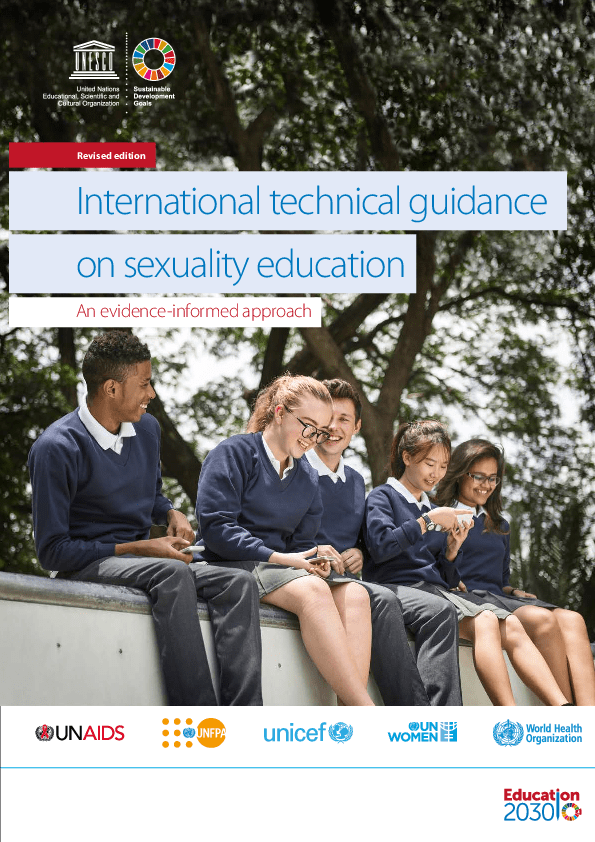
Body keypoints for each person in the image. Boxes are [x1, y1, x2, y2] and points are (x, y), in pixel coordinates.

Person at [28, 331, 262, 706]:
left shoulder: (147, 429)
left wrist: (170, 510)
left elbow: (150, 493)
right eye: (145, 383)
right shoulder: (56, 448)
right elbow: (53, 553)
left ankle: (247, 716)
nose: (151, 393)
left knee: (238, 582)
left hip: (142, 559)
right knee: (171, 573)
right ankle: (199, 717)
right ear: (111, 389)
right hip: (87, 564)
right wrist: (142, 546)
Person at [194, 374, 375, 706]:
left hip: (278, 570)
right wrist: (283, 558)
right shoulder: (233, 452)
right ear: (279, 412)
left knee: (356, 595)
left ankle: (349, 713)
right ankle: (365, 711)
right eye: (307, 425)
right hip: (230, 563)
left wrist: (313, 556)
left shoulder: (307, 476)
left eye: (319, 431)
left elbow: (300, 541)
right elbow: (217, 529)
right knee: (313, 590)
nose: (313, 438)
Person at [364, 420, 572, 706]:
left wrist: (452, 550)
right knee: (481, 618)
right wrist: (425, 523)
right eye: (429, 463)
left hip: (435, 590)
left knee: (505, 622)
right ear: (407, 457)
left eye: (442, 465)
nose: (435, 473)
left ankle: (558, 707)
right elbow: (381, 548)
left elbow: (447, 578)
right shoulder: (382, 497)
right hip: (400, 589)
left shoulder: (435, 509)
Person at [434, 438, 595, 706]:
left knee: (573, 619)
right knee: (544, 621)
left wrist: (513, 590)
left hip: (501, 597)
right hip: (470, 600)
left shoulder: (499, 524)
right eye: (479, 477)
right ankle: (566, 715)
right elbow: (437, 568)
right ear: (460, 474)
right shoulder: (441, 516)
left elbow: (501, 578)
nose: (486, 485)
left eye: (493, 479)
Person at [306, 378, 429, 705]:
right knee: (383, 600)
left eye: (344, 419)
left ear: (357, 426)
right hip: (308, 573)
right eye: (327, 417)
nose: (334, 426)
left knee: (382, 600)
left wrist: (358, 551)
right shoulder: (298, 467)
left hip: (345, 578)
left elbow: (362, 538)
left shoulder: (357, 481)